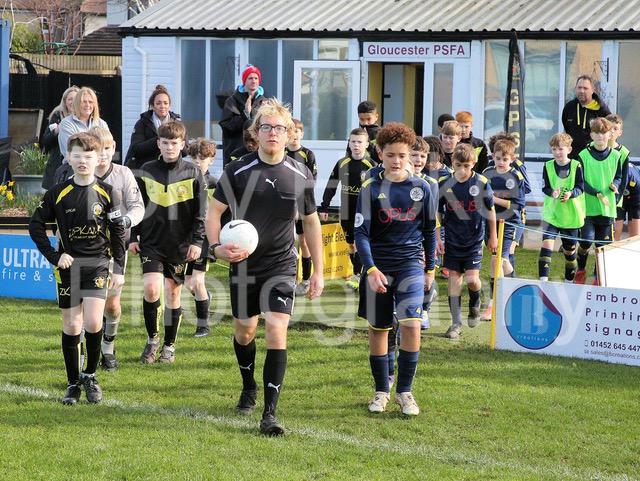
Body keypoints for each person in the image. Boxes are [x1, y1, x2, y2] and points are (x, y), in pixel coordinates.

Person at [206, 98, 324, 436]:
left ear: (289, 135)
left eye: (280, 128)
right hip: (244, 266)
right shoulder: (237, 171)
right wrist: (215, 248)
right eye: (267, 127)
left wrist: (318, 270)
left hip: (282, 264)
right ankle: (248, 386)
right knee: (244, 331)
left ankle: (269, 413)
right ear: (256, 133)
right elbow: (213, 213)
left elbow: (311, 222)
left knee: (276, 328)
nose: (273, 133)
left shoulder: (301, 173)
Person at [28, 133, 126, 404]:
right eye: (78, 155)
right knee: (72, 325)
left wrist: (119, 268)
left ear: (99, 158)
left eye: (88, 156)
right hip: (69, 266)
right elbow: (35, 226)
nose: (83, 160)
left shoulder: (109, 192)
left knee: (93, 322)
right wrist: (55, 256)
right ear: (68, 158)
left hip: (98, 264)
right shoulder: (57, 193)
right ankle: (72, 384)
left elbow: (118, 231)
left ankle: (90, 376)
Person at [355, 122, 437, 416]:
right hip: (378, 267)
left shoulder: (422, 188)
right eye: (391, 155)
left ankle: (405, 392)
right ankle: (381, 391)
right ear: (380, 153)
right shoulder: (370, 188)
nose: (397, 161)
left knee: (411, 325)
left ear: (410, 154)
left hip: (410, 265)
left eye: (402, 155)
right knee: (379, 329)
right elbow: (361, 234)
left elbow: (430, 231)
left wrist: (431, 269)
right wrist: (370, 269)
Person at [130, 121, 207, 364]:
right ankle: (152, 340)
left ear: (183, 145)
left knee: (173, 294)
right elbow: (137, 206)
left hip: (180, 244)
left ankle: (169, 345)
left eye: (174, 143)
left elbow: (201, 213)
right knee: (152, 289)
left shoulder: (193, 173)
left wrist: (197, 241)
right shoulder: (146, 170)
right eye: (165, 143)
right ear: (158, 144)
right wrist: (133, 236)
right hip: (151, 242)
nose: (170, 147)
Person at [88, 126, 144, 370]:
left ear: (114, 149)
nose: (103, 154)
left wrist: (126, 221)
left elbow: (138, 206)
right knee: (88, 304)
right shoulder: (80, 173)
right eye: (98, 149)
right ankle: (87, 354)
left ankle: (108, 346)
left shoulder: (123, 173)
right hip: (86, 248)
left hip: (115, 247)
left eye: (107, 148)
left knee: (111, 304)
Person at [438, 143, 497, 340]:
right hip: (452, 239)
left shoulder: (481, 182)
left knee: (472, 280)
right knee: (454, 281)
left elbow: (490, 210)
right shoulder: (444, 182)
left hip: (474, 239)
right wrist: (438, 237)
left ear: (473, 163)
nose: (462, 170)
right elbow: (437, 212)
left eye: (466, 166)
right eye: (458, 165)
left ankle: (475, 304)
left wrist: (493, 236)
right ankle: (456, 323)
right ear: (452, 162)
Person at [319, 128, 377, 289]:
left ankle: (359, 275)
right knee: (350, 244)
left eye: (360, 142)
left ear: (366, 144)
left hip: (364, 212)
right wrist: (324, 206)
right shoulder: (342, 163)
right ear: (349, 143)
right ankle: (358, 272)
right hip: (345, 211)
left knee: (360, 243)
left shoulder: (372, 166)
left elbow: (378, 190)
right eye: (353, 141)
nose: (356, 145)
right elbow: (331, 185)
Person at [481, 139, 526, 319]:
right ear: (493, 156)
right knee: (500, 262)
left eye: (505, 159)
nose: (501, 162)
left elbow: (518, 205)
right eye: (498, 158)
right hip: (490, 222)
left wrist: (494, 199)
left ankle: (494, 304)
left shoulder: (516, 177)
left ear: (512, 159)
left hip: (509, 223)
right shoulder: (486, 173)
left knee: (497, 261)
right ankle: (514, 288)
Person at [575, 118, 621, 284]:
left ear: (609, 135)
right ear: (591, 135)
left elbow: (619, 176)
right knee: (586, 241)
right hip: (588, 207)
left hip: (607, 208)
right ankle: (580, 269)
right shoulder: (583, 155)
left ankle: (597, 276)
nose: (600, 136)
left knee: (602, 246)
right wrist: (596, 193)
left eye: (603, 133)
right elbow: (580, 182)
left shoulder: (616, 156)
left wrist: (615, 185)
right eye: (597, 133)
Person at [538, 133, 585, 282]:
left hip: (570, 216)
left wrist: (570, 194)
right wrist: (552, 192)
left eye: (560, 149)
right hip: (551, 214)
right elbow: (545, 187)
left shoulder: (576, 166)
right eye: (554, 149)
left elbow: (580, 188)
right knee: (547, 244)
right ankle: (543, 281)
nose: (557, 152)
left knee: (569, 253)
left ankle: (569, 282)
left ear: (569, 150)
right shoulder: (547, 165)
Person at [185, 138, 218, 337]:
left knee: (196, 282)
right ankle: (205, 298)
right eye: (194, 158)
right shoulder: (185, 180)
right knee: (188, 283)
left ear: (211, 160)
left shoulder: (214, 184)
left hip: (205, 238)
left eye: (202, 158)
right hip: (186, 238)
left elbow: (224, 212)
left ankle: (203, 326)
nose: (197, 161)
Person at [286, 118, 318, 296]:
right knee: (287, 242)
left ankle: (305, 279)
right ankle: (290, 278)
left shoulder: (308, 154)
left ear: (302, 134)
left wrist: (300, 207)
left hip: (302, 204)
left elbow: (311, 182)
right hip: (284, 204)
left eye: (298, 131)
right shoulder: (282, 152)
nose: (295, 135)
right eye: (292, 131)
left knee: (303, 242)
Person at [124, 85, 183, 171]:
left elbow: (185, 150)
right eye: (158, 103)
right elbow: (136, 149)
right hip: (147, 170)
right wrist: (159, 139)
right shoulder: (142, 123)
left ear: (169, 105)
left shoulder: (178, 124)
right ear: (152, 106)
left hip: (172, 169)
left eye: (165, 103)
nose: (162, 106)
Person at [55, 87, 109, 181]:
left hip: (99, 169)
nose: (88, 105)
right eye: (84, 102)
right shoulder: (66, 124)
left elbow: (107, 146)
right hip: (74, 170)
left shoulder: (101, 123)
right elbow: (73, 149)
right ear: (77, 103)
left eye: (90, 102)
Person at [220, 64, 267, 166]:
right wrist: (245, 114)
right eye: (250, 78)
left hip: (259, 155)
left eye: (256, 78)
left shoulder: (264, 102)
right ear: (244, 81)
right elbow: (227, 127)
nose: (253, 81)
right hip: (236, 154)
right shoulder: (232, 101)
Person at [562, 75, 611, 159]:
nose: (581, 91)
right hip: (573, 157)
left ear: (593, 90)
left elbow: (609, 132)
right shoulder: (569, 107)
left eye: (585, 88)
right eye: (579, 87)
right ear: (575, 89)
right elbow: (566, 127)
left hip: (594, 157)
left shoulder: (601, 109)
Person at [40, 86, 79, 189]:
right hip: (57, 164)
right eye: (69, 99)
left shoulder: (84, 118)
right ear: (65, 101)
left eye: (75, 99)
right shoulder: (57, 116)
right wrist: (56, 132)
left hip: (76, 164)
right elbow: (45, 141)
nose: (72, 102)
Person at [606, 114, 633, 240]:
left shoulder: (623, 152)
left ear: (620, 133)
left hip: (613, 197)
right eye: (609, 127)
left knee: (610, 232)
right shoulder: (592, 148)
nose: (612, 131)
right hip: (594, 196)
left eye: (615, 128)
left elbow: (623, 178)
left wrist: (616, 198)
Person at [615, 161, 640, 241]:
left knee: (634, 235)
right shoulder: (613, 170)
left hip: (636, 195)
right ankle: (614, 245)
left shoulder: (635, 179)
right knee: (617, 226)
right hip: (619, 194)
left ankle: (633, 246)